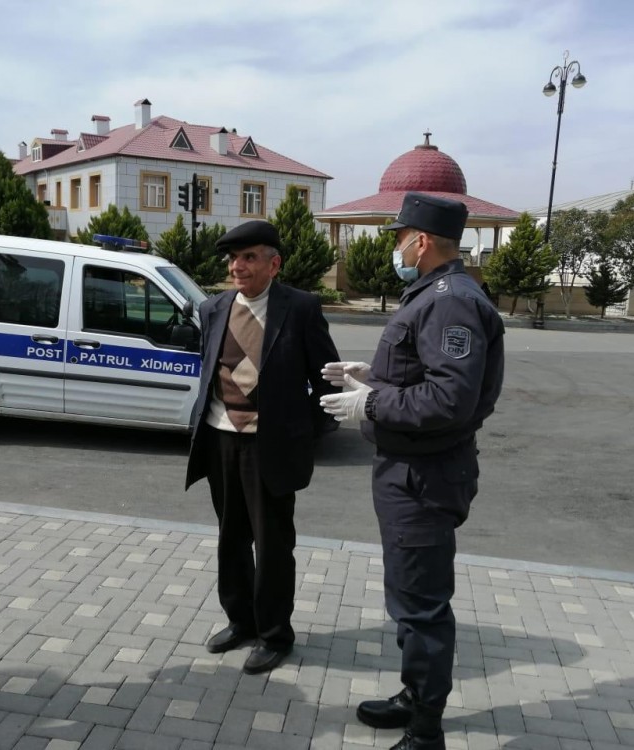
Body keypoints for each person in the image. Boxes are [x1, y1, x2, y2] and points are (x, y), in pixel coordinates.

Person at [320, 193, 505, 750]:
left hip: (424, 476)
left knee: (420, 606)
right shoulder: (434, 294)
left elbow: (449, 399)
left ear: (420, 241)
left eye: (400, 237)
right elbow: (422, 374)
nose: (397, 246)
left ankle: (426, 731)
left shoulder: (449, 301)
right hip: (411, 471)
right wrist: (372, 377)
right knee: (408, 596)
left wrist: (370, 405)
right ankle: (413, 695)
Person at [185, 220, 340, 675]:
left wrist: (302, 430)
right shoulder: (213, 308)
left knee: (272, 546)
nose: (238, 266)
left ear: (274, 263)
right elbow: (210, 370)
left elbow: (328, 381)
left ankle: (275, 635)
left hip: (270, 448)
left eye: (249, 257)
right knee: (230, 539)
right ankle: (241, 621)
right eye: (233, 258)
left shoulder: (300, 309)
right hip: (221, 440)